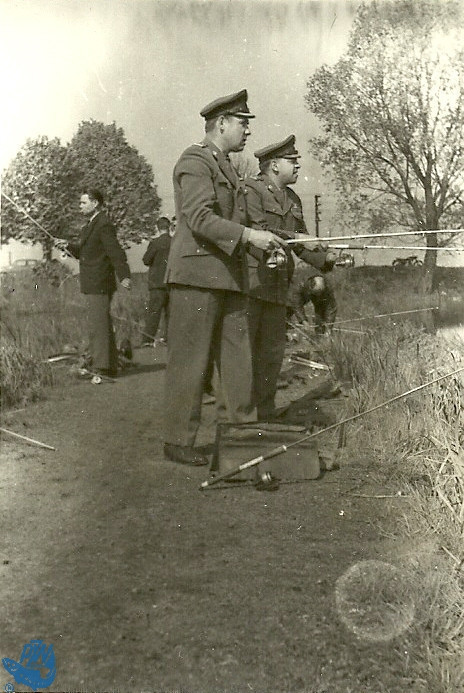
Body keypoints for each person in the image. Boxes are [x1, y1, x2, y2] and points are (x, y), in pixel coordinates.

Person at [164, 89, 284, 466]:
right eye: (243, 124)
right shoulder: (194, 161)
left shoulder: (229, 168)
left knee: (238, 363)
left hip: (229, 280)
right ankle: (178, 441)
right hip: (196, 278)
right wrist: (249, 236)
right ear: (221, 124)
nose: (247, 132)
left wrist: (266, 247)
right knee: (191, 363)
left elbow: (237, 225)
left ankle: (242, 438)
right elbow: (199, 218)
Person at [244, 135, 336, 420]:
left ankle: (266, 413)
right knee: (246, 353)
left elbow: (302, 244)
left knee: (272, 353)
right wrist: (298, 237)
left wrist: (326, 258)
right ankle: (242, 417)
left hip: (278, 288)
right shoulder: (252, 190)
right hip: (252, 284)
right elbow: (260, 230)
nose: (298, 167)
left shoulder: (293, 199)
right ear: (273, 166)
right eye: (292, 162)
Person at [57, 188, 131, 377]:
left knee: (98, 325)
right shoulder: (90, 225)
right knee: (101, 324)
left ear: (95, 203)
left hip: (99, 281)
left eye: (83, 202)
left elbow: (115, 251)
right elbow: (84, 253)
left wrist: (124, 275)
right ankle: (109, 365)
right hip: (93, 281)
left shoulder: (103, 224)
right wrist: (67, 245)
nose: (79, 206)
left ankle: (102, 368)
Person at [142, 216, 171, 346]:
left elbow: (146, 260)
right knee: (170, 313)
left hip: (157, 283)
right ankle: (168, 338)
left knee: (154, 312)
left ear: (157, 228)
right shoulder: (175, 242)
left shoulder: (155, 243)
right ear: (169, 227)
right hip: (172, 282)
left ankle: (147, 339)